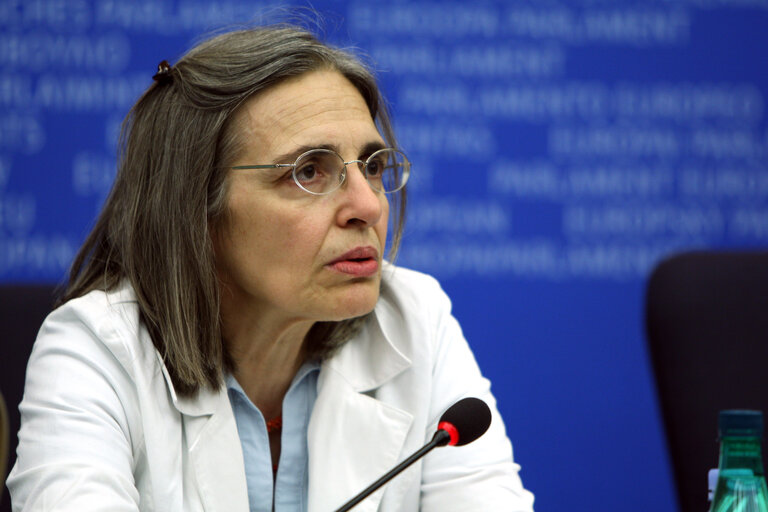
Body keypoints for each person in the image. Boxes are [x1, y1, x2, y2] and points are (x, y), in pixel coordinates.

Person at [7, 24, 535, 511]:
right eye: (309, 171)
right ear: (195, 208)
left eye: (372, 167)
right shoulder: (95, 348)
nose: (369, 207)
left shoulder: (414, 318)